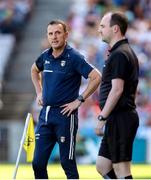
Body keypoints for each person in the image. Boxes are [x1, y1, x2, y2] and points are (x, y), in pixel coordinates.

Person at [31, 20, 101, 179]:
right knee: (37, 163)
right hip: (46, 115)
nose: (54, 37)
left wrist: (79, 100)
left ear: (66, 35)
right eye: (50, 33)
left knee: (66, 162)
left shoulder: (74, 57)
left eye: (57, 33)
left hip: (65, 116)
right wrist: (39, 92)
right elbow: (34, 70)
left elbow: (96, 77)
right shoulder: (45, 55)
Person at [95, 12, 139, 179]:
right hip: (118, 118)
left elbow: (117, 89)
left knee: (122, 170)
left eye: (102, 26)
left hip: (121, 117)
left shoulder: (120, 54)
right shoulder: (119, 52)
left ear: (115, 29)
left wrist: (102, 118)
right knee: (102, 165)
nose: (99, 30)